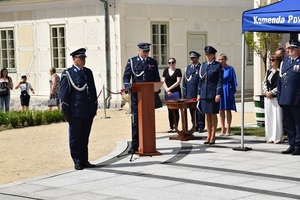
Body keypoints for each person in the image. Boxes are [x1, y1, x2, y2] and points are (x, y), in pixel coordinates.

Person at [60, 48, 98, 170]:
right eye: (80, 58)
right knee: (75, 137)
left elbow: (92, 90)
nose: (82, 60)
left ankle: (84, 159)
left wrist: (94, 107)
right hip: (75, 111)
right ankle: (77, 160)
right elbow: (64, 94)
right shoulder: (68, 73)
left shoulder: (88, 72)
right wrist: (65, 111)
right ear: (74, 59)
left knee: (84, 137)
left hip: (87, 110)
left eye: (83, 58)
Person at [123, 42, 160, 154]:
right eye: (144, 51)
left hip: (148, 96)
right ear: (139, 50)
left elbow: (156, 78)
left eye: (147, 51)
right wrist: (127, 85)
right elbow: (126, 77)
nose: (146, 53)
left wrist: (157, 87)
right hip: (137, 96)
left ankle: (149, 144)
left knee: (149, 120)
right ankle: (135, 145)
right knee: (136, 121)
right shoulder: (132, 62)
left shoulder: (152, 62)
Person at [277, 40, 300, 155]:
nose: (290, 50)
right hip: (285, 98)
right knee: (289, 123)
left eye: (293, 48)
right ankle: (291, 144)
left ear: (298, 49)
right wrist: (280, 97)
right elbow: (280, 81)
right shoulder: (284, 62)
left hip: (297, 98)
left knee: (298, 123)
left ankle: (298, 145)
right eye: (289, 48)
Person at [198, 46, 223, 145]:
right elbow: (200, 81)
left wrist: (218, 93)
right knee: (207, 115)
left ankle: (213, 136)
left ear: (213, 55)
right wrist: (199, 93)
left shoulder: (217, 66)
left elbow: (220, 81)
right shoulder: (203, 66)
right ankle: (208, 135)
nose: (208, 56)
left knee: (213, 114)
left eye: (210, 55)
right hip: (204, 93)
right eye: (206, 55)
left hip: (213, 93)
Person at [182, 51, 205, 133]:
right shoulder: (187, 68)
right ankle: (194, 125)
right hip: (190, 93)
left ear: (198, 58)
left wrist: (200, 93)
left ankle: (201, 126)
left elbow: (201, 81)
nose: (192, 59)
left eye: (194, 58)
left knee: (199, 110)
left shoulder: (201, 67)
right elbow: (184, 81)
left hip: (198, 92)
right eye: (191, 58)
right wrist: (184, 93)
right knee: (192, 110)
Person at [263, 54, 283, 144]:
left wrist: (272, 92)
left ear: (278, 61)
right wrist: (266, 92)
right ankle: (269, 136)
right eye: (270, 60)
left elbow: (280, 85)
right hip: (268, 98)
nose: (271, 61)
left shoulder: (280, 72)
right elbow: (264, 82)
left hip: (275, 98)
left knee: (277, 117)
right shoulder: (268, 72)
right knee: (269, 117)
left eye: (273, 60)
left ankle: (277, 137)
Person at [218, 53, 237, 136]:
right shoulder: (218, 69)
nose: (221, 61)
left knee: (227, 109)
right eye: (219, 59)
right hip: (220, 89)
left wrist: (232, 91)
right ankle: (222, 128)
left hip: (228, 90)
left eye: (222, 59)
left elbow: (234, 80)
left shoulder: (230, 69)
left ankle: (228, 128)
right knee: (220, 109)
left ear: (225, 60)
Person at [162, 57, 182, 132]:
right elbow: (163, 81)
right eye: (169, 63)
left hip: (176, 92)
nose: (171, 64)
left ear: (175, 63)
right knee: (170, 109)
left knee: (176, 109)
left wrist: (169, 89)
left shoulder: (178, 71)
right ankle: (171, 126)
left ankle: (175, 126)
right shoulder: (165, 71)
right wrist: (167, 90)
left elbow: (178, 82)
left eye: (172, 62)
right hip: (168, 93)